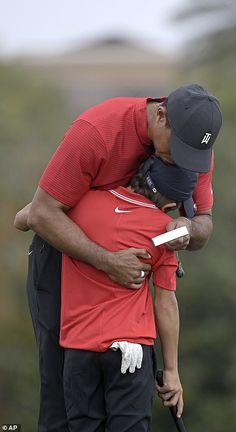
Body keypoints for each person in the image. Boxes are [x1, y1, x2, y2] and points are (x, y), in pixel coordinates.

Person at [14, 84, 222, 431]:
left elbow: (204, 224)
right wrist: (108, 261)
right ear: (160, 115)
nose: (188, 163)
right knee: (59, 393)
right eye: (180, 150)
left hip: (129, 273)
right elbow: (40, 215)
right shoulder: (96, 131)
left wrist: (186, 228)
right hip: (63, 252)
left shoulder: (196, 147)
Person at [61, 155, 198, 431]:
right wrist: (171, 371)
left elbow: (28, 217)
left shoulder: (80, 203)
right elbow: (165, 302)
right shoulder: (164, 231)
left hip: (78, 350)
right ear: (171, 205)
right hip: (131, 352)